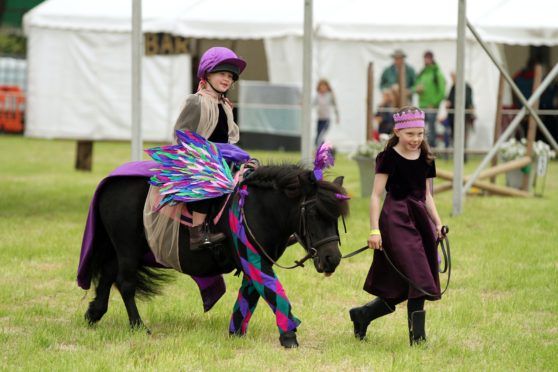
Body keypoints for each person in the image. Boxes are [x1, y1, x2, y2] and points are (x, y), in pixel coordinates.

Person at [349, 106, 444, 345]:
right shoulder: (388, 157)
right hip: (396, 219)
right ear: (397, 132)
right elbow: (375, 196)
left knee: (403, 284)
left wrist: (437, 223)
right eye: (410, 134)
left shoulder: (426, 157)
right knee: (418, 278)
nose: (416, 139)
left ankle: (362, 315)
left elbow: (427, 195)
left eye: (420, 134)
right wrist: (374, 230)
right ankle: (418, 340)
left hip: (420, 219)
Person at [173, 46, 247, 249]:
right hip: (196, 158)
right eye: (222, 74)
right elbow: (181, 134)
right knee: (210, 175)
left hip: (221, 157)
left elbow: (229, 136)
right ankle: (197, 232)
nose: (227, 79)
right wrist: (210, 150)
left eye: (231, 77)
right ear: (207, 73)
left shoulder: (225, 105)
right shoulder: (196, 102)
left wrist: (232, 152)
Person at [414, 51, 446, 148]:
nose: (425, 60)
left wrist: (434, 103)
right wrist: (417, 89)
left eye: (427, 58)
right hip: (422, 106)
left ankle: (433, 149)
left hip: (431, 106)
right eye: (424, 58)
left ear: (431, 59)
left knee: (431, 129)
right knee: (421, 129)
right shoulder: (422, 73)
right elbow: (416, 86)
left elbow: (442, 91)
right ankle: (423, 148)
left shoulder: (437, 73)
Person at [445, 72, 475, 161]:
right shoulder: (453, 87)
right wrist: (448, 103)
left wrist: (451, 103)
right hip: (453, 117)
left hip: (464, 118)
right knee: (455, 138)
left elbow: (465, 102)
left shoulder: (466, 87)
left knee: (462, 138)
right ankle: (457, 158)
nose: (452, 79)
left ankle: (463, 158)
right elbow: (449, 99)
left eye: (454, 77)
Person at [313, 79, 339, 147]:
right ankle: (324, 150)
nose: (323, 88)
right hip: (320, 119)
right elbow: (312, 104)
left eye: (324, 86)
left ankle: (322, 150)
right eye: (321, 86)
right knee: (318, 137)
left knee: (320, 136)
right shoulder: (318, 96)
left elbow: (335, 105)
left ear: (327, 87)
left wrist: (337, 116)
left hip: (326, 120)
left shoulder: (330, 95)